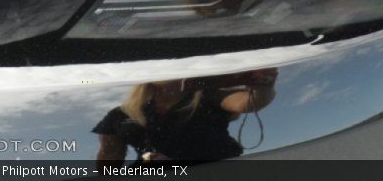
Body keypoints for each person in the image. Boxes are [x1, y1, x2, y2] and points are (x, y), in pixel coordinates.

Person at [93, 69, 277, 165]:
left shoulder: (208, 95)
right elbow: (109, 158)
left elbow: (247, 102)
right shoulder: (120, 115)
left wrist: (263, 82)